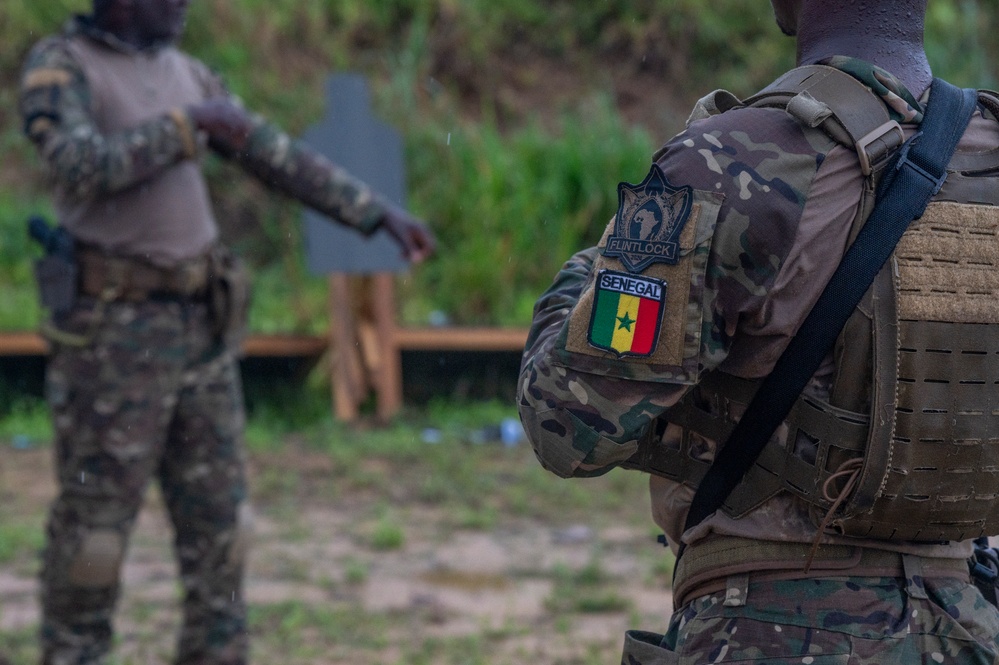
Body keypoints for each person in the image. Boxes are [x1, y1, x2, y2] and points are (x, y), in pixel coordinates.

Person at [518, 0, 999, 661]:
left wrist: (600, 264)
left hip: (766, 630)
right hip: (969, 629)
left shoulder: (729, 161)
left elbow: (568, 426)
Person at [18, 0, 435, 663]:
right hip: (113, 342)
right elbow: (79, 165)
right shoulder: (61, 67)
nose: (184, 4)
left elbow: (274, 154)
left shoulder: (189, 73)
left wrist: (374, 213)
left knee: (222, 532)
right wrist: (188, 128)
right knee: (93, 536)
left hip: (201, 330)